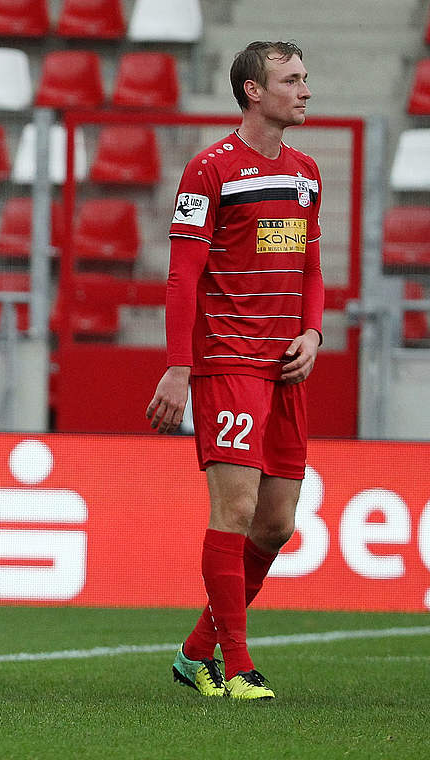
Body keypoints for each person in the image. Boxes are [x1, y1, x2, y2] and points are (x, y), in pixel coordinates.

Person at [146, 41, 323, 701]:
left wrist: (312, 330)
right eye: (292, 80)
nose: (305, 90)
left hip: (288, 367)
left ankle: (196, 652)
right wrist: (176, 367)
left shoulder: (306, 171)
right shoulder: (209, 170)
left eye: (305, 78)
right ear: (253, 91)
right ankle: (238, 666)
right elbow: (182, 275)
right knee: (237, 507)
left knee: (276, 524)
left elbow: (310, 268)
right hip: (227, 362)